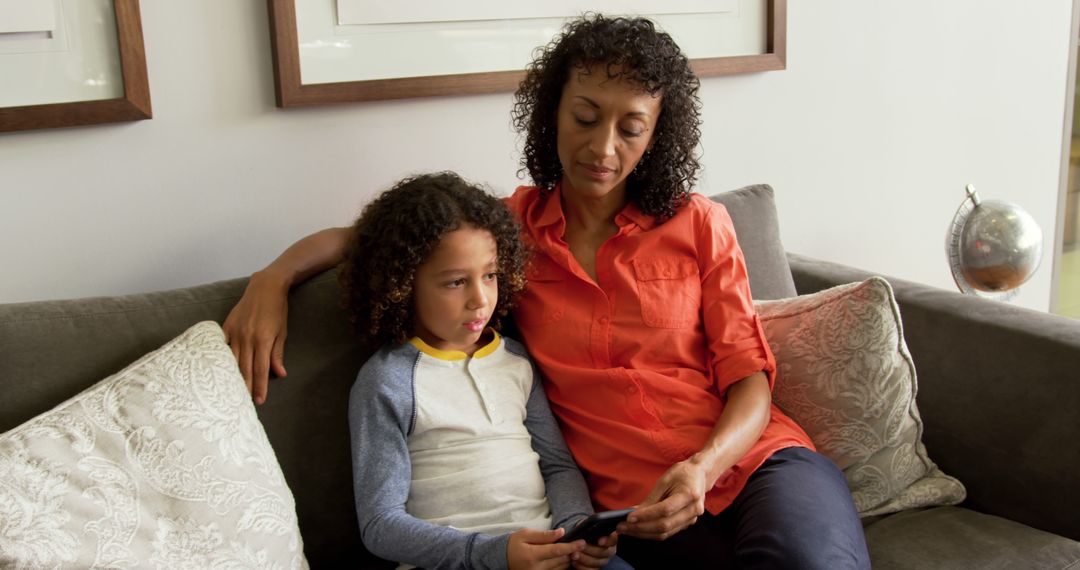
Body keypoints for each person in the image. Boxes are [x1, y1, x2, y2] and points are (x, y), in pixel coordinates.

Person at [224, 15, 871, 569]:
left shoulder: (700, 223)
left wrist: (703, 468)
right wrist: (272, 278)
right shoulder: (508, 233)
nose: (602, 147)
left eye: (631, 128)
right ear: (552, 111)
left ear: (657, 134)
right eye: (585, 117)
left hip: (756, 465)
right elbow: (372, 233)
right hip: (631, 510)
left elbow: (750, 381)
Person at [339, 172, 623, 570]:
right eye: (455, 282)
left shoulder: (516, 361)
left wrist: (576, 527)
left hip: (552, 555)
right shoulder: (387, 381)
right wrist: (494, 554)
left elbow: (557, 466)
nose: (480, 299)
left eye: (489, 275)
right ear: (401, 285)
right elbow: (381, 524)